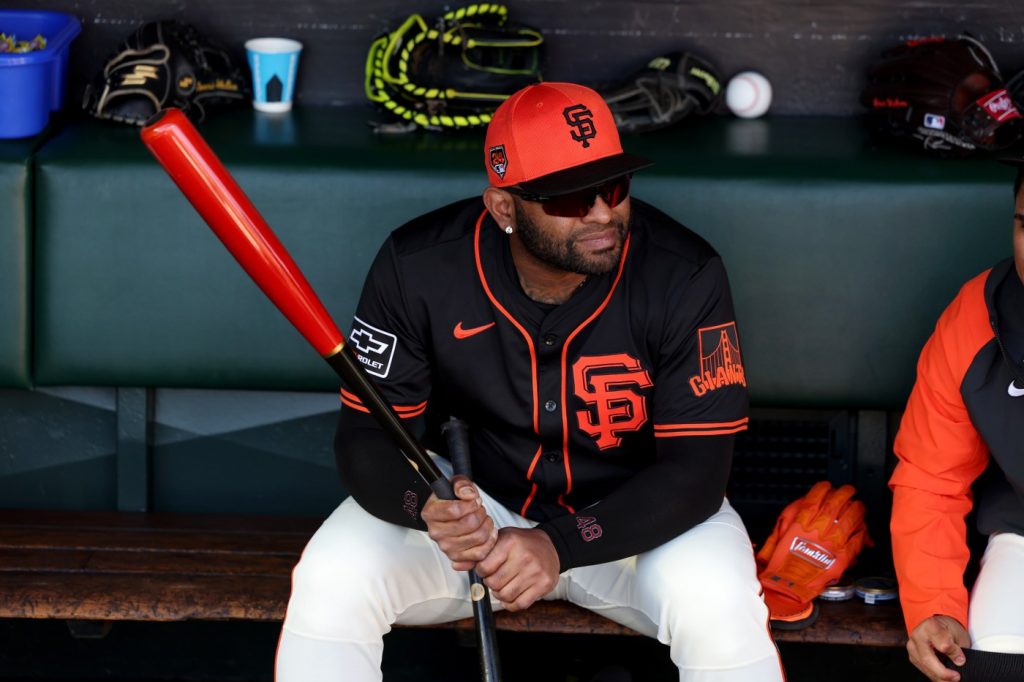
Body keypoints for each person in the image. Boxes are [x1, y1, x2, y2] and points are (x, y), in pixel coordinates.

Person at [275, 82, 784, 682]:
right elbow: (365, 438)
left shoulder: (683, 273)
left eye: (614, 185)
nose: (602, 211)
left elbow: (696, 476)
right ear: (504, 208)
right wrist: (426, 508)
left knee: (719, 607)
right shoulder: (418, 266)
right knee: (332, 578)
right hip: (479, 515)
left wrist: (559, 544)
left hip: (633, 523)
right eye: (570, 197)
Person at [890, 157, 1024, 682]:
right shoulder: (979, 315)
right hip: (1020, 530)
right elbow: (932, 478)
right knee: (987, 666)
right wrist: (933, 604)